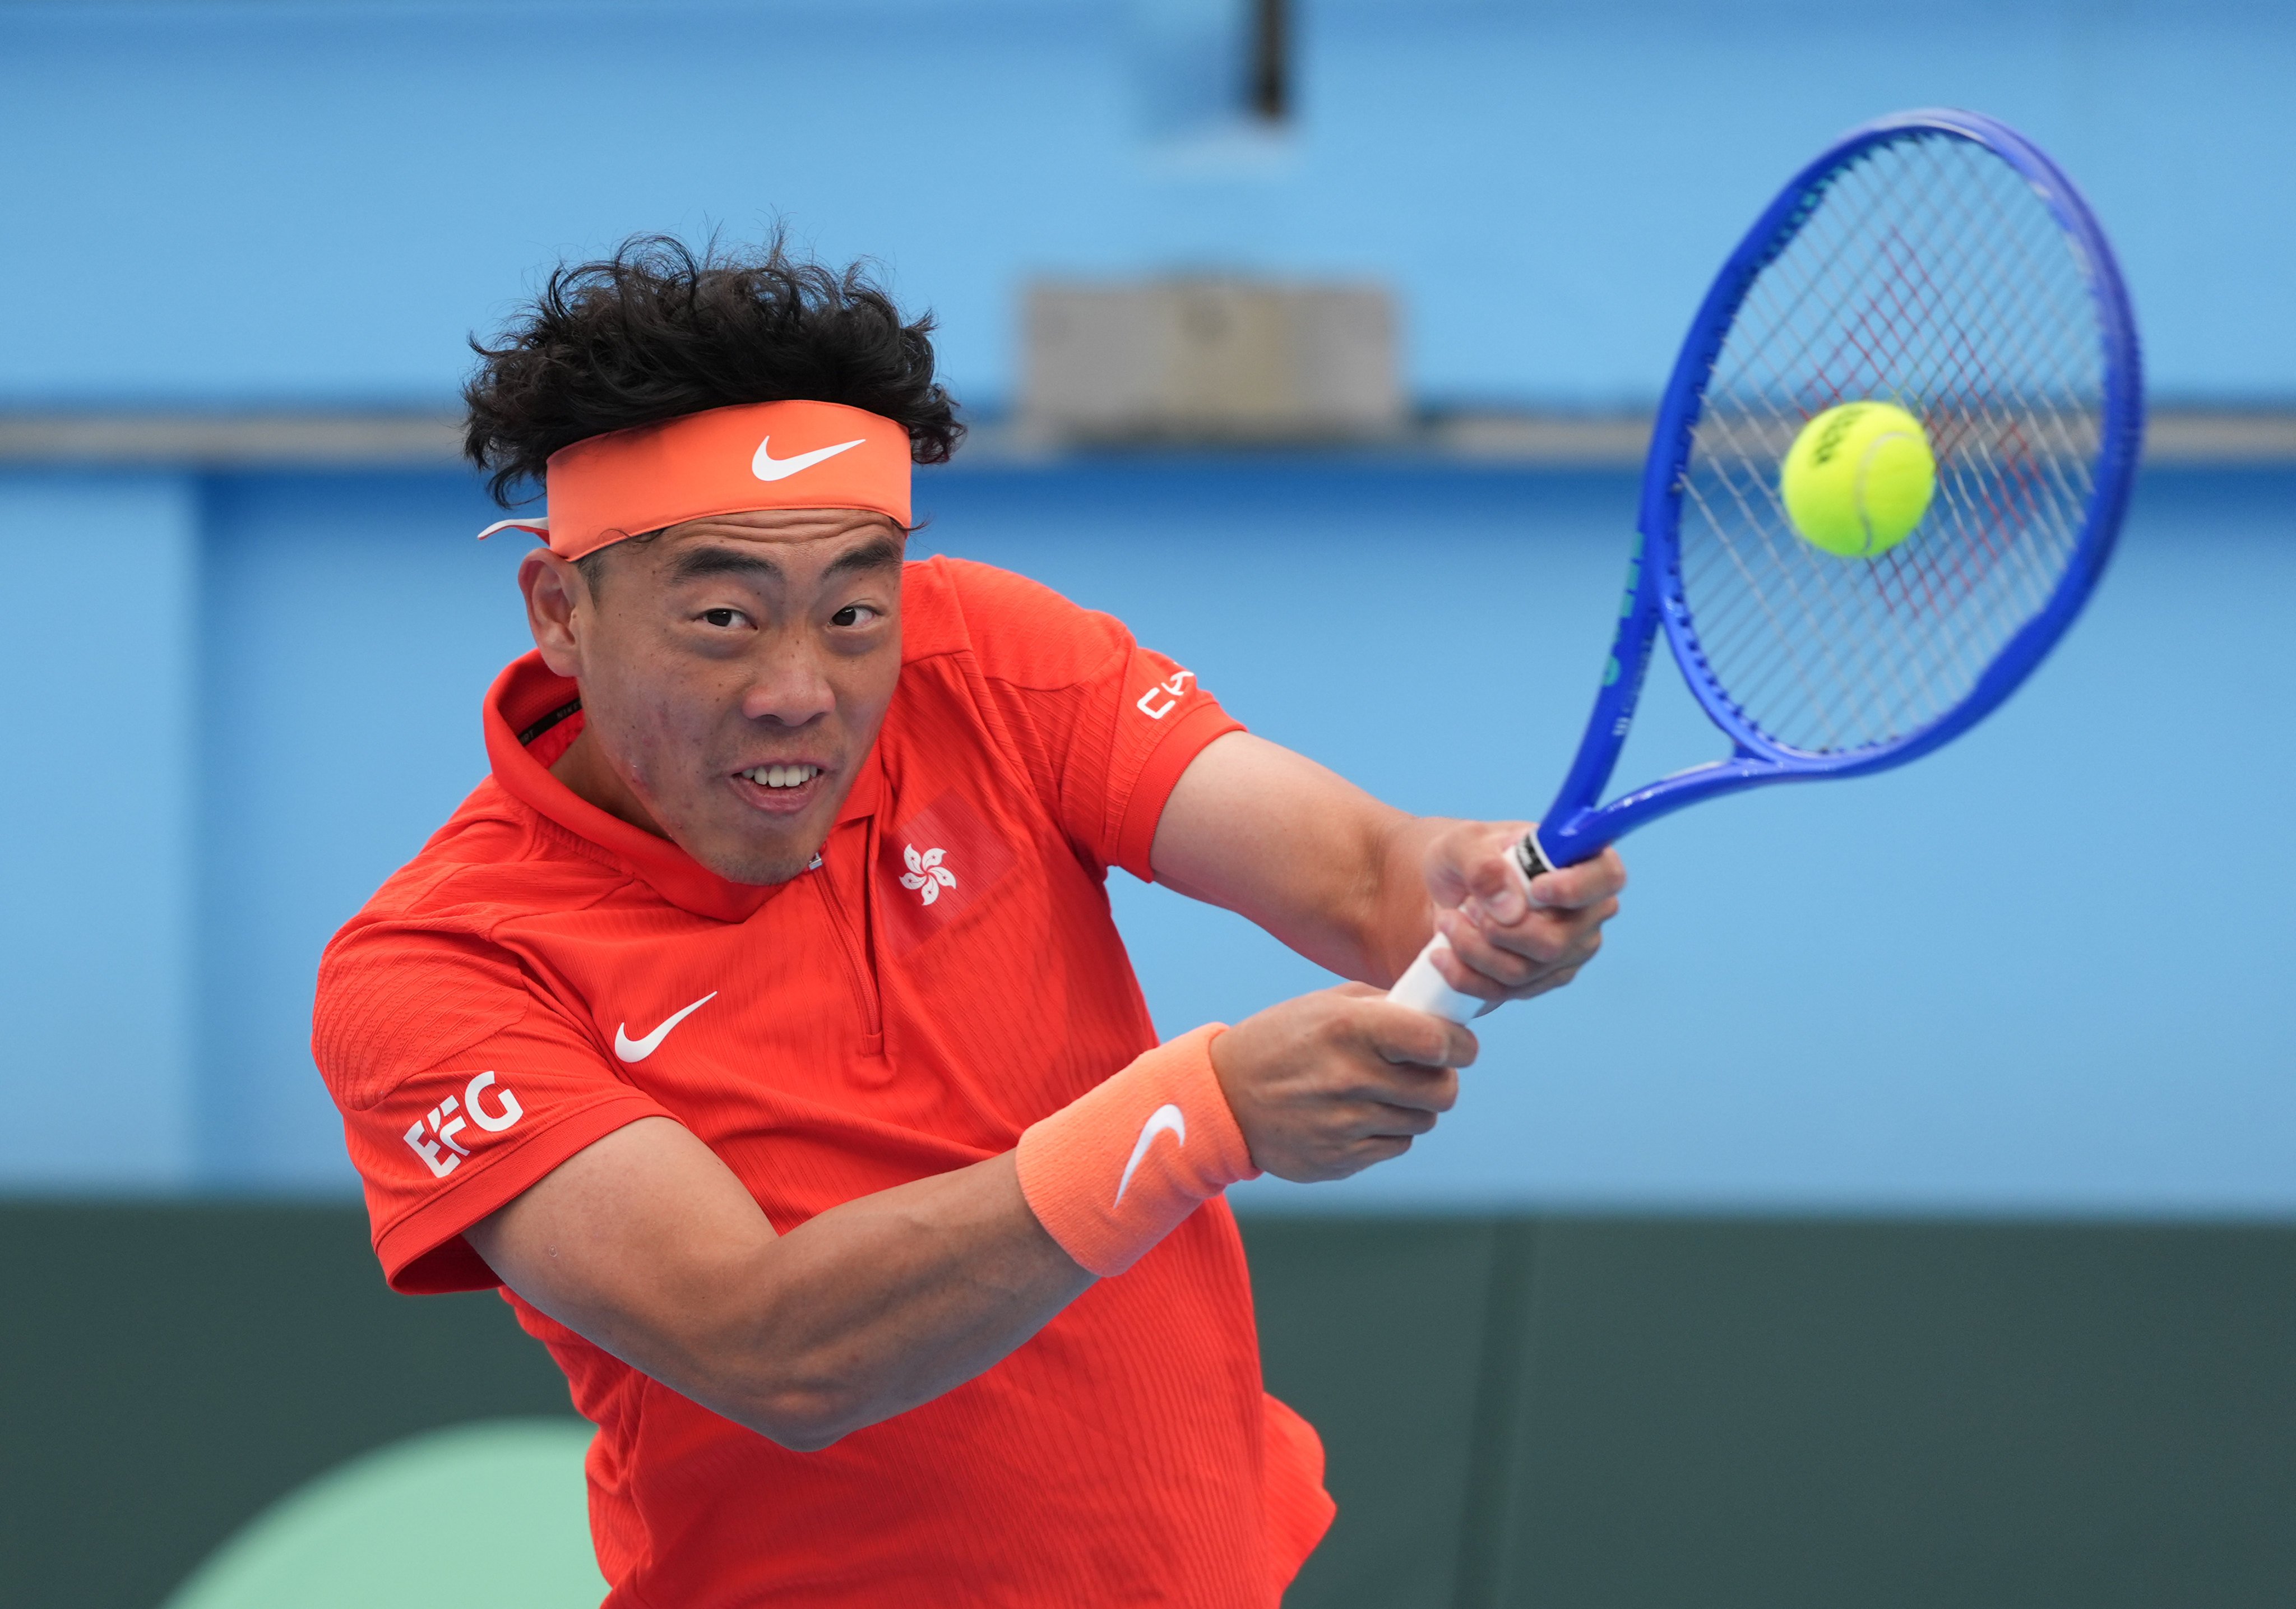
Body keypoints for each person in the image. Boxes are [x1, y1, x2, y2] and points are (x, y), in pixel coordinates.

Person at [312, 237, 1626, 1607]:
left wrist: (1464, 879)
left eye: (854, 607)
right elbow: (767, 1342)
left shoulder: (988, 664)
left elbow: (1366, 878)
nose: (798, 688)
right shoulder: (439, 968)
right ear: (557, 615)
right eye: (720, 616)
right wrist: (1194, 1115)